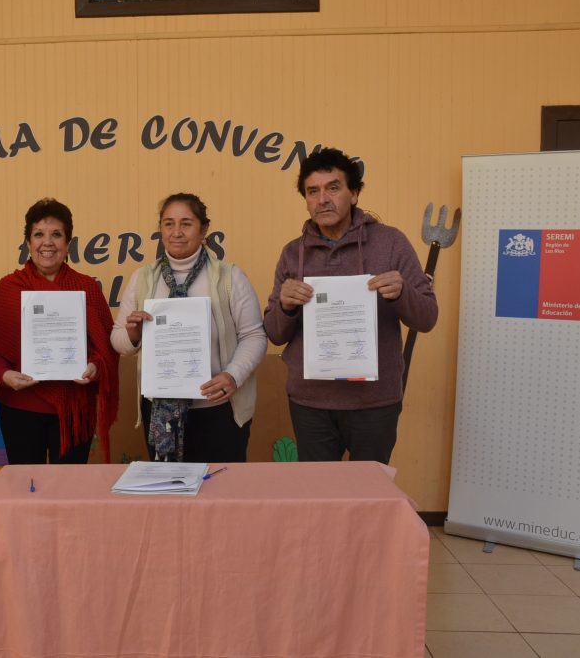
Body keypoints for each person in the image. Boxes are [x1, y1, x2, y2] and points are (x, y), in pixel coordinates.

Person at [263, 147, 437, 464]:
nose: (322, 199)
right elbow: (274, 333)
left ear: (354, 193)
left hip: (375, 402)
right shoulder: (293, 253)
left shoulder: (391, 243)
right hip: (310, 402)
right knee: (319, 497)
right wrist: (286, 307)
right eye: (312, 191)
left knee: (370, 495)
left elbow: (427, 318)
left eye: (333, 188)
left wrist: (402, 293)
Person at [113, 193, 267, 462]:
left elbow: (254, 336)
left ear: (204, 229)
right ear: (160, 229)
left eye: (186, 223)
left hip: (218, 409)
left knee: (221, 492)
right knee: (171, 496)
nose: (177, 232)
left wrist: (233, 375)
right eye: (169, 223)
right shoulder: (143, 278)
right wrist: (133, 334)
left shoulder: (230, 277)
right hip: (161, 412)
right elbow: (119, 341)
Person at [0, 198, 119, 464]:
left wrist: (94, 367)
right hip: (20, 408)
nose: (47, 242)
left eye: (56, 234)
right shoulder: (8, 288)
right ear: (27, 243)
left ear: (68, 244)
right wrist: (4, 375)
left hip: (73, 412)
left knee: (67, 493)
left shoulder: (87, 288)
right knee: (27, 490)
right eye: (38, 234)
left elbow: (105, 348)